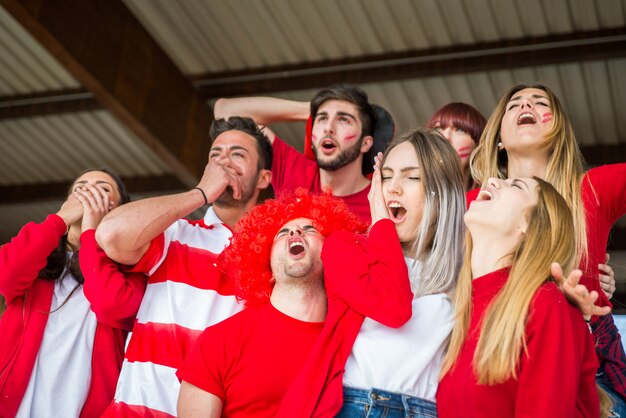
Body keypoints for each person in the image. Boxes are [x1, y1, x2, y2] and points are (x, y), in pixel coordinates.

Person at [276, 129, 466, 417]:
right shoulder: (344, 247)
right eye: (386, 176)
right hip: (357, 406)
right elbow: (393, 308)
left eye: (411, 177)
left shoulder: (463, 268)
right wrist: (380, 223)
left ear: (442, 194)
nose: (393, 188)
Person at [96, 117, 272, 417]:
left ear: (263, 179)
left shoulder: (276, 254)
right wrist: (200, 193)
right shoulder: (176, 233)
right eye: (215, 156)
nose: (223, 163)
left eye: (237, 154)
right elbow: (110, 234)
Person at [469, 84, 626, 413]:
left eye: (540, 102)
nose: (526, 103)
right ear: (498, 137)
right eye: (515, 104)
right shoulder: (475, 204)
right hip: (488, 360)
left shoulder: (592, 189)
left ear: (558, 131)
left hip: (590, 370)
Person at [176, 189, 366, 417]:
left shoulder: (358, 342)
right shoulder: (220, 340)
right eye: (282, 233)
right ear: (267, 269)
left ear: (335, 253)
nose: (295, 231)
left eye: (310, 229)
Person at [437, 177, 600, 417]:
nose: (491, 180)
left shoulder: (546, 306)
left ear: (531, 225)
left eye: (515, 185)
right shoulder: (457, 308)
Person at [0, 169, 146, 418]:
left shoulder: (133, 271)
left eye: (102, 188)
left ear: (120, 209)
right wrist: (59, 219)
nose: (88, 192)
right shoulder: (37, 259)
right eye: (80, 188)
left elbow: (114, 307)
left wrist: (91, 234)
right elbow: (7, 275)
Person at [213, 83, 395, 223]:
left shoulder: (382, 200)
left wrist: (325, 111)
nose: (328, 128)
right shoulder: (295, 170)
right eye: (322, 119)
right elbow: (224, 111)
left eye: (343, 120)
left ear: (365, 143)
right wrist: (314, 109)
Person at [427, 102, 486, 190]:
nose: (445, 137)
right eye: (438, 128)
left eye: (460, 130)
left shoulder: (488, 199)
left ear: (479, 145)